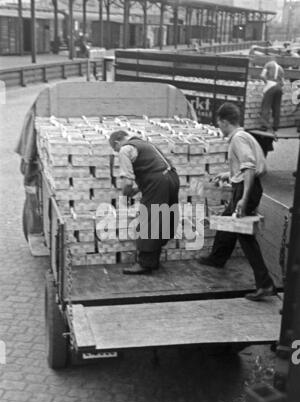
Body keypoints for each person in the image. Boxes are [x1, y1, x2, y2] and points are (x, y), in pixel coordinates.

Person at [198, 103, 276, 301]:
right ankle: (217, 258)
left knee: (245, 236)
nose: (219, 128)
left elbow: (249, 168)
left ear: (225, 122)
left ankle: (265, 283)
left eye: (219, 124)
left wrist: (243, 198)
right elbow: (246, 166)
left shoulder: (238, 139)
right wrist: (229, 174)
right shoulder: (245, 136)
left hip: (246, 189)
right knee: (227, 223)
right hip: (243, 185)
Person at [109, 131, 180, 275]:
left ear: (117, 143)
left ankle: (145, 264)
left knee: (149, 220)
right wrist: (138, 189)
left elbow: (128, 182)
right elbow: (152, 169)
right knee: (163, 219)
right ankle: (153, 261)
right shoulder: (145, 143)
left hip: (158, 183)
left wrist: (125, 196)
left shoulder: (125, 149)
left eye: (115, 150)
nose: (117, 153)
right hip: (172, 178)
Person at [260, 57, 284, 134]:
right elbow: (283, 82)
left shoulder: (268, 64)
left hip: (270, 85)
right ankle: (276, 126)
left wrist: (266, 82)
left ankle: (264, 126)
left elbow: (262, 76)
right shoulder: (281, 68)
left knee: (266, 106)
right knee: (276, 107)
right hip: (279, 87)